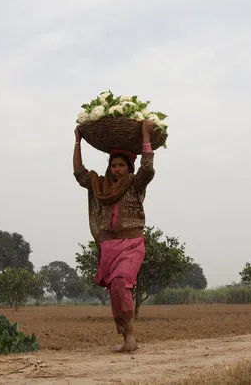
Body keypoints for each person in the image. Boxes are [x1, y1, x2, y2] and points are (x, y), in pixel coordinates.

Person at [73, 119, 156, 352]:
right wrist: (77, 142)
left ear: (129, 167)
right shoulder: (100, 186)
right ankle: (125, 336)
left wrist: (145, 136)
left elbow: (147, 169)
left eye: (121, 165)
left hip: (132, 244)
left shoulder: (135, 184)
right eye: (113, 166)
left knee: (121, 281)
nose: (117, 169)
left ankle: (130, 337)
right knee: (116, 292)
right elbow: (79, 173)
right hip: (109, 247)